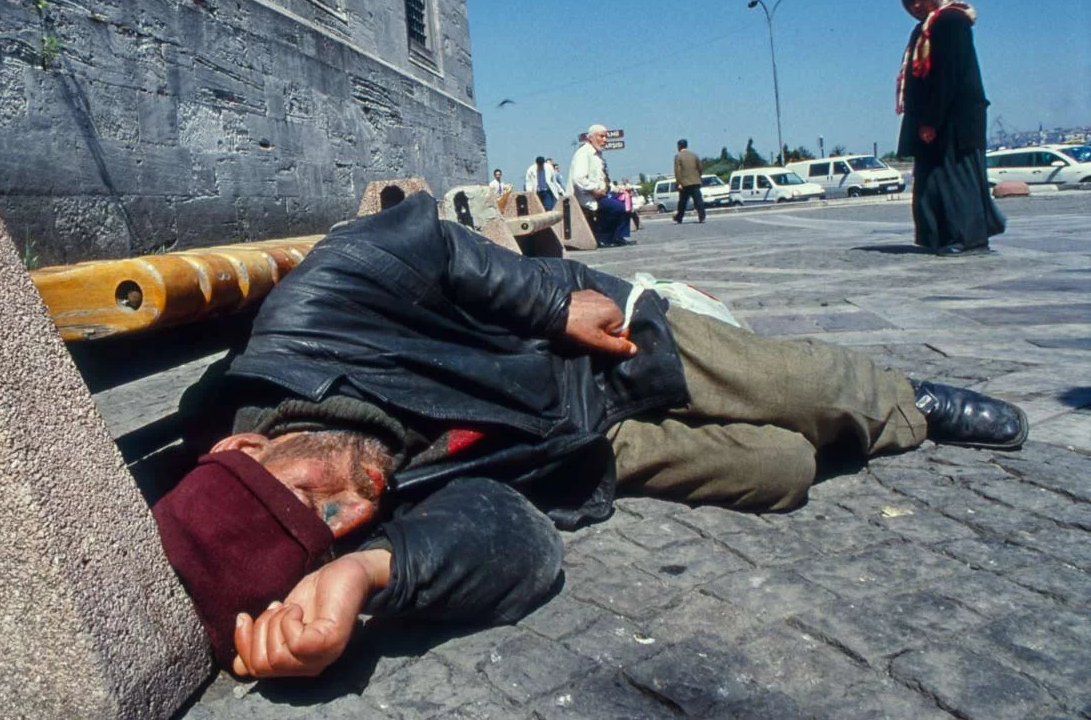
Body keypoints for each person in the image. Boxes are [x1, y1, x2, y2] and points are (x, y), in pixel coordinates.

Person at [153, 192, 1027, 679]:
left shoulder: (311, 317)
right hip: (580, 449)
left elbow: (424, 241)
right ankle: (823, 432)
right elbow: (524, 543)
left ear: (245, 447)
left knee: (798, 384)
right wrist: (370, 570)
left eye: (314, 495)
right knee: (783, 468)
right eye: (329, 531)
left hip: (580, 351)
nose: (351, 508)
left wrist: (552, 304)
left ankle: (908, 406)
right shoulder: (348, 526)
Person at [895, 0, 1005, 255]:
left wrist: (931, 120)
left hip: (953, 119)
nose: (917, 5)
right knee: (934, 178)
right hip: (938, 116)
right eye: (911, 0)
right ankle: (942, 236)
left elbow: (948, 74)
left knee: (956, 177)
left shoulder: (950, 21)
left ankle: (968, 238)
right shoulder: (925, 28)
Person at [569, 124, 629, 245]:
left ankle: (618, 236)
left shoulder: (597, 154)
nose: (605, 140)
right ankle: (603, 238)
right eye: (601, 136)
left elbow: (602, 178)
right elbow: (578, 178)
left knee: (626, 202)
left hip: (602, 194)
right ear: (591, 138)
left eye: (606, 137)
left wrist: (616, 189)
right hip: (589, 196)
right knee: (616, 208)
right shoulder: (583, 153)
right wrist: (593, 190)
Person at [672, 139, 706, 224]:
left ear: (679, 146)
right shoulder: (694, 155)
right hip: (695, 182)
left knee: (682, 202)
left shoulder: (678, 156)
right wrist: (698, 176)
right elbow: (700, 167)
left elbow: (677, 171)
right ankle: (702, 216)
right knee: (698, 200)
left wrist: (679, 183)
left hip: (685, 183)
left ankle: (679, 217)